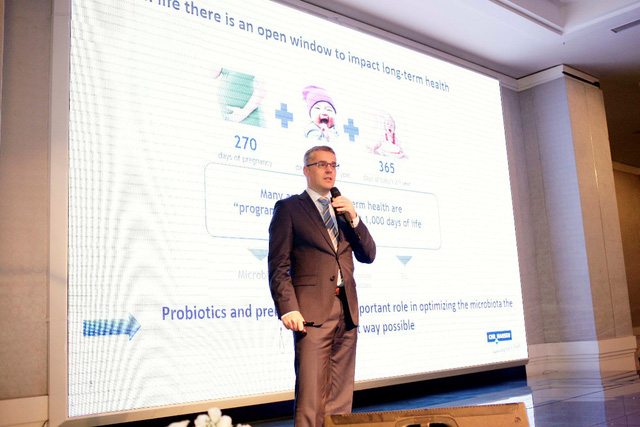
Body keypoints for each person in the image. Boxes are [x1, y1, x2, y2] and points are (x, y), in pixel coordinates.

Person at [268, 146, 376, 426]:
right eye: (322, 164)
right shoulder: (290, 208)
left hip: (346, 310)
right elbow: (278, 265)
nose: (329, 170)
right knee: (311, 395)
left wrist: (354, 218)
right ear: (306, 170)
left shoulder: (342, 211)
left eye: (333, 165)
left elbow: (368, 254)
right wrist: (288, 307)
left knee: (340, 394)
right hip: (311, 313)